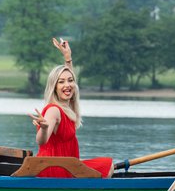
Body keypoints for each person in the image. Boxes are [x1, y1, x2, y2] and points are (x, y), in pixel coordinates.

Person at [28, 38, 113, 178]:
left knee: (106, 165)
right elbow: (41, 141)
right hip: (55, 170)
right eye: (61, 82)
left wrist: (67, 57)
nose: (67, 85)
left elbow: (70, 80)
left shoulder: (67, 106)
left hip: (69, 166)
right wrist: (43, 128)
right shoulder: (54, 110)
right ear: (54, 87)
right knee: (106, 166)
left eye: (70, 81)